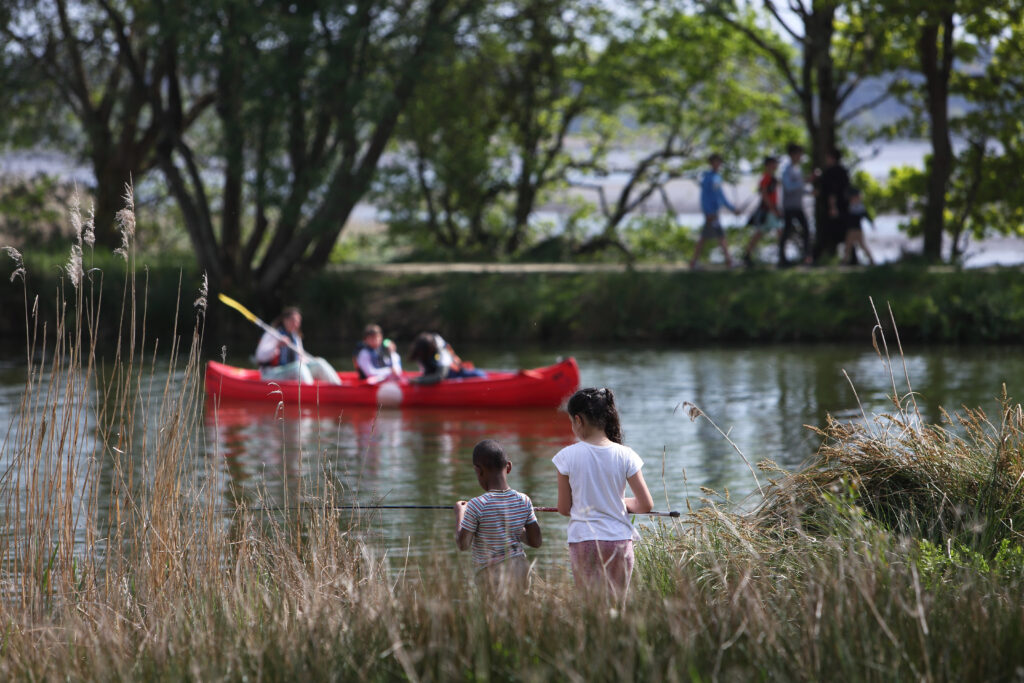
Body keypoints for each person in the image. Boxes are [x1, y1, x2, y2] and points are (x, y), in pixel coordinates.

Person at [553, 387, 654, 600]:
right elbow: (645, 505)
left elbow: (564, 509)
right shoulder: (626, 455)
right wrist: (620, 503)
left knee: (591, 610)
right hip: (618, 541)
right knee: (618, 607)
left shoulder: (566, 457)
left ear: (578, 420)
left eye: (571, 421)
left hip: (584, 541)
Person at [454, 439, 542, 593]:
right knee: (520, 614)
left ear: (478, 471)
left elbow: (463, 544)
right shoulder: (524, 500)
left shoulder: (476, 505)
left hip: (491, 574)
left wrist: (460, 514)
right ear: (508, 467)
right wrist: (513, 527)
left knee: (494, 616)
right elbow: (536, 541)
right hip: (521, 569)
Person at [254, 306, 341, 385]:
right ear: (285, 320)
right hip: (271, 375)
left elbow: (300, 357)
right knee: (298, 368)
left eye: (298, 321)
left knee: (319, 363)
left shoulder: (295, 337)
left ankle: (339, 388)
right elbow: (259, 357)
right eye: (293, 320)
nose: (296, 324)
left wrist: (311, 360)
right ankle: (311, 393)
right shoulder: (273, 334)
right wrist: (277, 345)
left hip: (291, 371)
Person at [690, 153, 740, 269]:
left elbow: (720, 196)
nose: (718, 164)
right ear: (711, 163)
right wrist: (707, 212)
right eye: (716, 162)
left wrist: (732, 209)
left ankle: (728, 261)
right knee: (715, 237)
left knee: (714, 237)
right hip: (711, 213)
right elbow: (705, 197)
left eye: (719, 162)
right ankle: (728, 262)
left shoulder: (716, 177)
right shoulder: (708, 178)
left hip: (714, 213)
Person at [741, 156, 782, 268]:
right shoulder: (766, 178)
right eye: (774, 163)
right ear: (768, 165)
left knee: (759, 233)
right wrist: (773, 209)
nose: (776, 166)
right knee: (778, 231)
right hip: (768, 210)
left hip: (771, 209)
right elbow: (764, 195)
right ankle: (782, 257)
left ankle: (747, 255)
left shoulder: (772, 178)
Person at [778, 143, 813, 267]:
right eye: (798, 154)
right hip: (789, 206)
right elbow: (788, 187)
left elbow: (799, 188)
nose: (800, 157)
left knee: (806, 230)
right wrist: (804, 182)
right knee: (787, 232)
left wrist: (810, 192)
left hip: (798, 206)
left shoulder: (798, 170)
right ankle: (782, 259)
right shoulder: (786, 170)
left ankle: (807, 258)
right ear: (792, 155)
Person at [408, 332, 486, 385]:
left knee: (479, 374)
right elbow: (425, 372)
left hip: (452, 374)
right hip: (431, 374)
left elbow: (440, 376)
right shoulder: (420, 348)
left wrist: (418, 381)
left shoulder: (442, 352)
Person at [815, 147, 850, 262]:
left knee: (825, 233)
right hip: (844, 207)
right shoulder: (844, 171)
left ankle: (814, 258)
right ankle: (851, 258)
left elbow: (832, 192)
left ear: (832, 158)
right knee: (845, 233)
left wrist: (832, 207)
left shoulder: (830, 172)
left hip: (833, 208)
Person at [843, 188, 876, 265]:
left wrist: (871, 224)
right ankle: (844, 261)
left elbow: (866, 216)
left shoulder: (860, 207)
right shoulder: (849, 205)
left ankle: (871, 260)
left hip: (857, 229)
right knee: (848, 245)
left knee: (860, 245)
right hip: (851, 229)